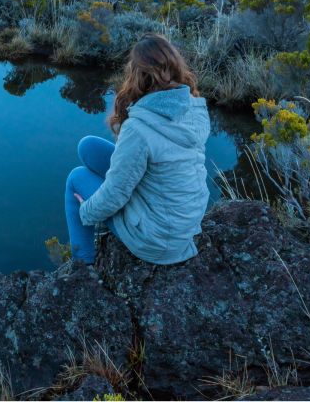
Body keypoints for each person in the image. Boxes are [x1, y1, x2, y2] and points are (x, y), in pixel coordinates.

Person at [65, 33, 210, 264]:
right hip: (183, 224)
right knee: (88, 147)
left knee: (77, 177)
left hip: (156, 239)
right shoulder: (192, 108)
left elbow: (115, 194)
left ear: (137, 75)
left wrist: (86, 211)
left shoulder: (138, 129)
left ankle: (83, 262)